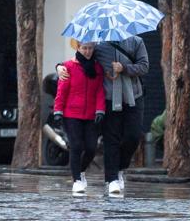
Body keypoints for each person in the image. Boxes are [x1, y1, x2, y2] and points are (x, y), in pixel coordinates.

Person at [57, 36, 149, 194]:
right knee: (111, 139)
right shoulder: (99, 46)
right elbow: (81, 59)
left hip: (134, 97)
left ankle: (121, 167)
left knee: (133, 137)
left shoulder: (137, 42)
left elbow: (144, 66)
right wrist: (59, 67)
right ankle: (112, 179)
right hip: (109, 98)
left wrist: (125, 68)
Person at [53, 40, 105, 193]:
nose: (87, 51)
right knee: (76, 146)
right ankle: (76, 180)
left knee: (91, 148)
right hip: (72, 114)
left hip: (90, 115)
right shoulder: (68, 67)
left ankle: (81, 171)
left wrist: (100, 110)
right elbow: (62, 91)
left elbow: (100, 91)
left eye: (90, 48)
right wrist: (58, 111)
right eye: (84, 48)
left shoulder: (97, 68)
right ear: (78, 48)